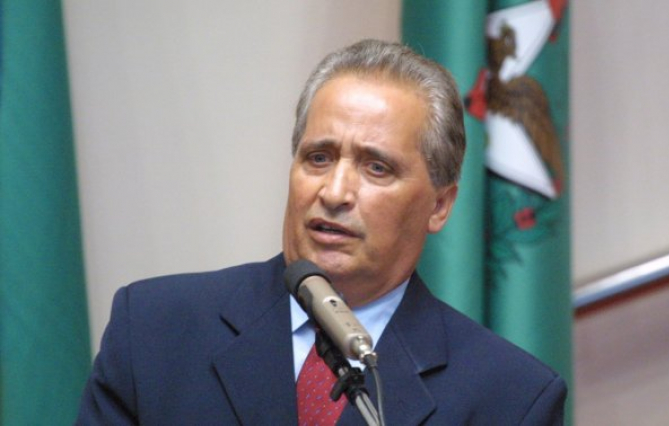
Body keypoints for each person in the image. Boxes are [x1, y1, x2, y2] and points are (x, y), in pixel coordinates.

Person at [77, 39, 566, 425]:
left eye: (376, 167)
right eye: (318, 157)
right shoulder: (155, 331)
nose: (334, 192)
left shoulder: (510, 398)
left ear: (439, 206)